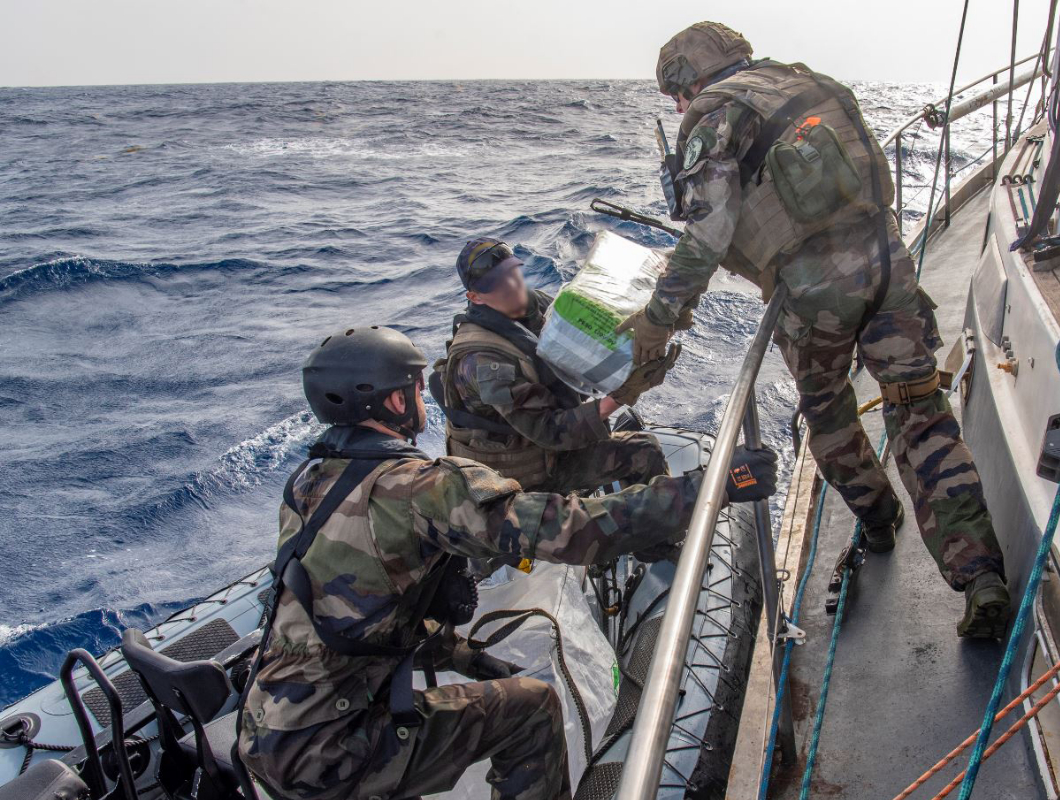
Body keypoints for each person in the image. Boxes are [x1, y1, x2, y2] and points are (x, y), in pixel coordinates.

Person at [236, 324, 777, 800]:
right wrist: (709, 487)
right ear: (396, 404)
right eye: (416, 387)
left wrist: (471, 658)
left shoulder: (309, 484)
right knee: (533, 708)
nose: (425, 397)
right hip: (334, 749)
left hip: (266, 734)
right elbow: (573, 531)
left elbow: (359, 615)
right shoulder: (422, 489)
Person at [618, 21, 1010, 638]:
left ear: (684, 85)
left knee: (828, 415)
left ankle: (879, 519)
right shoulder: (809, 82)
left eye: (676, 97)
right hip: (890, 269)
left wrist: (657, 320)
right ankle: (981, 576)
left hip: (814, 297)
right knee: (921, 413)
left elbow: (706, 236)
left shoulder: (712, 115)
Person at [430, 237, 679, 496]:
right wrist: (623, 395)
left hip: (547, 450)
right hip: (520, 477)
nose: (513, 286)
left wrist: (654, 325)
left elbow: (591, 344)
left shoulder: (535, 307)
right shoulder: (483, 361)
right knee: (644, 452)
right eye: (497, 284)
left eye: (512, 273)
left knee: (622, 439)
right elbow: (548, 430)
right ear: (475, 297)